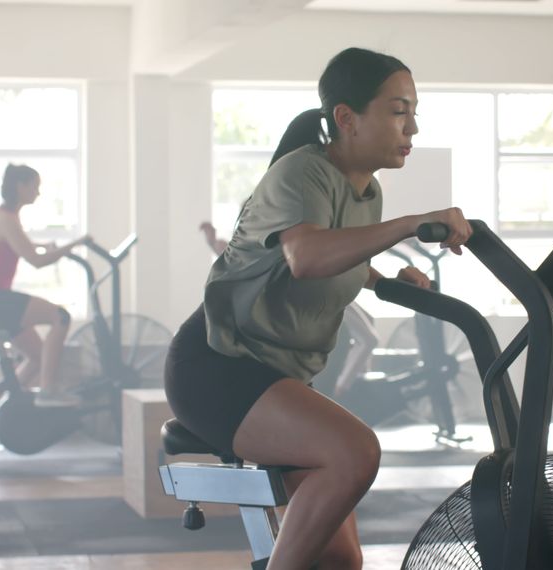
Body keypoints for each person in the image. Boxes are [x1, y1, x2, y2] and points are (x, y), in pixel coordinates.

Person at [164, 47, 472, 570]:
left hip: (278, 379)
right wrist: (410, 224)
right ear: (347, 118)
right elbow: (305, 256)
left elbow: (338, 253)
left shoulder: (365, 190)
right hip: (219, 369)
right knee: (355, 451)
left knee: (338, 563)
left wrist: (384, 280)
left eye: (414, 112)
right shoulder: (300, 173)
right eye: (399, 111)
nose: (412, 128)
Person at [199, 219, 378, 399]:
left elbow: (368, 339)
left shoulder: (320, 285)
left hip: (315, 387)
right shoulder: (275, 275)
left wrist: (342, 384)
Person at [0, 164, 90, 406]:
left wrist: (48, 246)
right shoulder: (6, 219)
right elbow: (36, 261)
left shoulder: (9, 216)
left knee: (37, 357)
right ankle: (48, 390)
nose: (38, 192)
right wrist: (75, 244)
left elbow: (26, 246)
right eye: (35, 186)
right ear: (20, 186)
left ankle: (2, 405)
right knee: (61, 317)